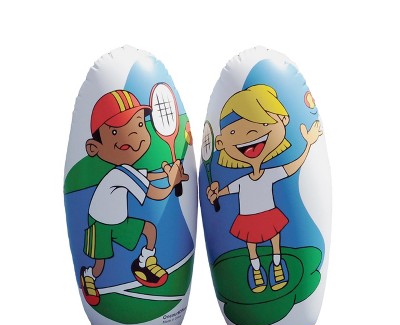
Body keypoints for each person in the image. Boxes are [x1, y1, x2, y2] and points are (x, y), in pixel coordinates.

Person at [207, 85, 322, 293]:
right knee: (251, 245)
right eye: (233, 131)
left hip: (267, 214)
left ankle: (277, 264)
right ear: (221, 142)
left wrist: (308, 145)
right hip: (248, 218)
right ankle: (256, 270)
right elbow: (229, 190)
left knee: (274, 239)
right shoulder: (243, 180)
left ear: (282, 121)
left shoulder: (270, 174)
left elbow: (292, 167)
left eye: (261, 123)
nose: (249, 133)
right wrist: (216, 193)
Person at [81, 90, 188, 305]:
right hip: (100, 224)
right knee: (100, 263)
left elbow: (146, 176)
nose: (133, 136)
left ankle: (144, 261)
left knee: (150, 230)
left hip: (119, 221)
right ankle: (89, 275)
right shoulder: (120, 173)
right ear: (94, 148)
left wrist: (166, 174)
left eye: (139, 124)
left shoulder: (128, 170)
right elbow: (156, 194)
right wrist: (172, 182)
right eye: (115, 132)